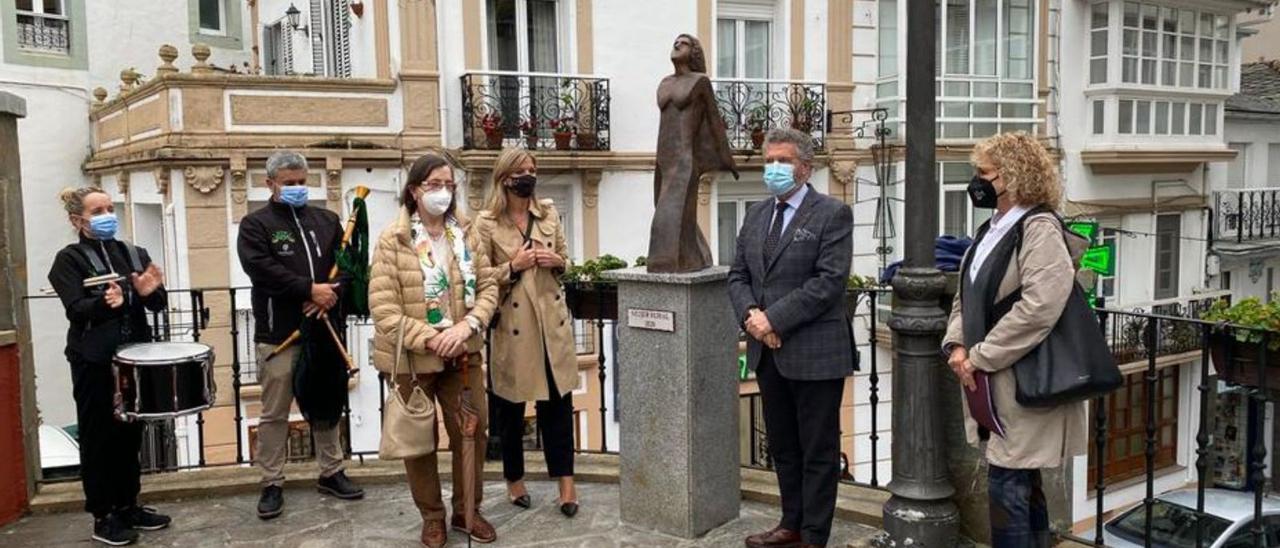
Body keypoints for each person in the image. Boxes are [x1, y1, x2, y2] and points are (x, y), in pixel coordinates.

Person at [941, 132, 1088, 547]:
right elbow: (964, 297)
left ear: (1012, 176)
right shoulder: (990, 231)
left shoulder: (1038, 227)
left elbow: (1041, 306)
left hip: (1022, 377)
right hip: (992, 378)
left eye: (983, 173)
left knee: (1008, 485)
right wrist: (955, 346)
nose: (977, 181)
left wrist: (981, 356)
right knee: (1021, 481)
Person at [728, 128, 854, 548]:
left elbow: (828, 282)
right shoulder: (757, 214)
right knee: (784, 446)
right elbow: (738, 275)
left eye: (783, 161)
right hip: (769, 354)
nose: (774, 169)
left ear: (806, 166)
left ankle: (814, 537)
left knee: (818, 451)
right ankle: (790, 524)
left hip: (815, 352)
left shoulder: (832, 213)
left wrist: (774, 321)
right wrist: (751, 316)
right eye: (769, 161)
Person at [369, 154, 499, 547]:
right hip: (414, 359)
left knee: (472, 434)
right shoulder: (393, 240)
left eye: (448, 185)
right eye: (434, 185)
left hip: (463, 354)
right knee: (418, 442)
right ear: (414, 191)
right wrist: (429, 337)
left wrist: (467, 326)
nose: (443, 192)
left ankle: (467, 511)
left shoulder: (467, 233)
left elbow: (489, 286)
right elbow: (384, 309)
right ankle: (432, 517)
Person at [236, 150, 364, 520]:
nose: (296, 188)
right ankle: (272, 481)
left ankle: (331, 471)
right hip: (280, 333)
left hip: (324, 329)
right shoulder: (255, 225)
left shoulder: (326, 220)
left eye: (301, 182)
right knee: (275, 411)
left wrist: (331, 293)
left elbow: (347, 266)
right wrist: (309, 289)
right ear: (270, 184)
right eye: (288, 183)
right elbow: (260, 269)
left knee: (326, 404)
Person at [48, 186, 171, 546]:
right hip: (94, 362)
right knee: (98, 437)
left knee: (130, 434)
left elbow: (156, 304)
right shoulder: (68, 260)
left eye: (109, 207)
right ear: (78, 220)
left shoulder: (132, 252)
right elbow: (76, 308)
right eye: (97, 210)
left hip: (134, 359)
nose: (107, 215)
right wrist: (107, 303)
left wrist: (149, 292)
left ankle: (129, 504)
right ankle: (104, 515)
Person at [467, 148, 581, 517]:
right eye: (521, 171)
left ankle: (566, 484)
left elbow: (567, 260)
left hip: (552, 326)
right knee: (511, 412)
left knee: (559, 408)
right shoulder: (485, 223)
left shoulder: (547, 213)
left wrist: (557, 261)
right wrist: (512, 267)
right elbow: (478, 279)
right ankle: (514, 480)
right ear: (504, 178)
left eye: (533, 170)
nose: (528, 176)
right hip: (514, 330)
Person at [648, 33, 738, 273]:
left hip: (685, 158)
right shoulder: (664, 82)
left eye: (683, 43)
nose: (677, 45)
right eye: (675, 42)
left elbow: (714, 121)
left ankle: (670, 262)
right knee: (671, 212)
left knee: (668, 218)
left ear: (694, 52)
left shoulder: (700, 81)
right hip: (663, 157)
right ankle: (697, 255)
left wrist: (727, 159)